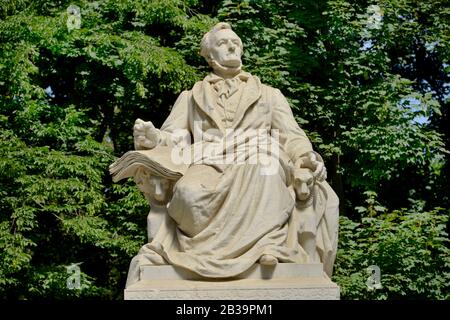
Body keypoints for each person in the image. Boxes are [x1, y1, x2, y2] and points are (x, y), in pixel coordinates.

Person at [124, 22, 338, 287]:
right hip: (208, 161)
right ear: (210, 56)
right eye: (223, 43)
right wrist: (153, 137)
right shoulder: (191, 97)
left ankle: (268, 247)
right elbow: (174, 137)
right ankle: (204, 255)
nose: (232, 46)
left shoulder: (269, 95)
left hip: (257, 155)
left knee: (263, 172)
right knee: (188, 193)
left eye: (235, 42)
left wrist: (306, 155)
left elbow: (291, 135)